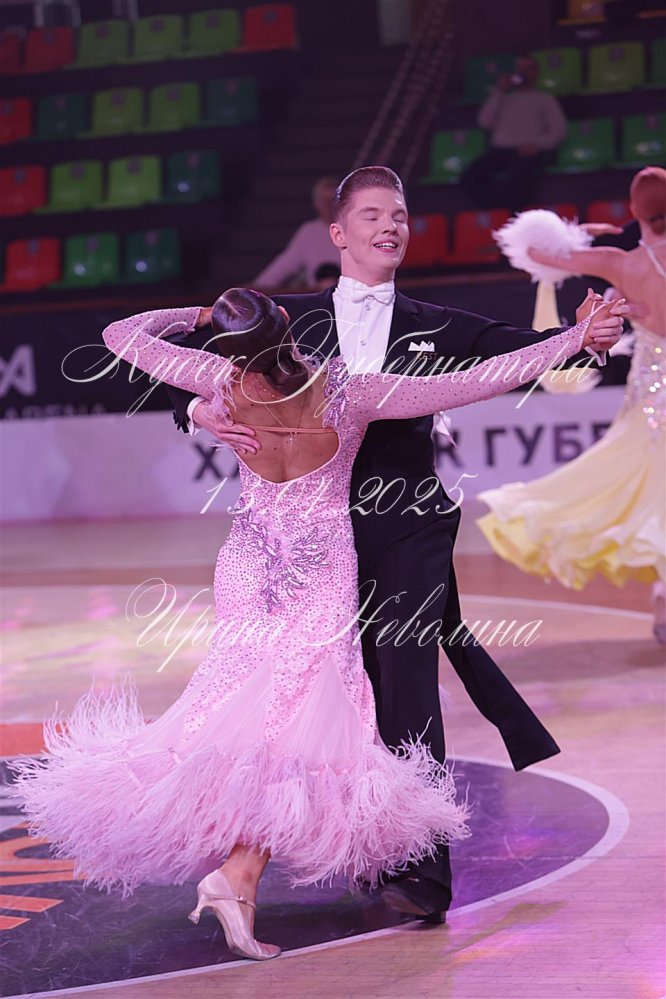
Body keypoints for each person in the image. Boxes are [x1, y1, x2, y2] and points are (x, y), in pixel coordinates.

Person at [10, 287, 621, 962]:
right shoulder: (348, 393)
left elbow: (121, 334)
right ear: (289, 330)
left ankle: (240, 874)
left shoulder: (218, 381)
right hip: (321, 570)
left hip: (250, 564)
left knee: (246, 709)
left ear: (230, 349)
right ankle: (238, 873)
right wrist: (572, 339)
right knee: (299, 718)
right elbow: (479, 379)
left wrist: (196, 317)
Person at [164, 166, 623, 924]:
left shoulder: (439, 324)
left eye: (400, 215)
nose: (391, 226)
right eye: (373, 214)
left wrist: (588, 338)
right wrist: (198, 413)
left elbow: (523, 353)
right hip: (311, 541)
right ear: (338, 232)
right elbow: (190, 374)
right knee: (323, 696)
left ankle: (420, 873)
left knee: (404, 683)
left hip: (407, 525)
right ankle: (345, 850)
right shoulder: (287, 323)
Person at [478, 167, 666, 643]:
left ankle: (664, 592)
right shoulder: (623, 261)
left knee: (647, 488)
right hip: (652, 398)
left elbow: (538, 252)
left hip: (652, 401)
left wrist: (579, 235)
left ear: (634, 211)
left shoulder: (622, 263)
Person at [460, 56, 567, 212]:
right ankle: (498, 211)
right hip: (499, 151)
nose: (523, 72)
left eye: (528, 68)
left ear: (536, 73)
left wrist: (538, 145)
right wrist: (500, 92)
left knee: (519, 178)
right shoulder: (503, 98)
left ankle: (514, 214)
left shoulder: (544, 99)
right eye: (520, 68)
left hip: (528, 150)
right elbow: (484, 122)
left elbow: (559, 130)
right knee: (471, 177)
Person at [252, 176, 340, 290]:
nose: (328, 205)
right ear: (316, 203)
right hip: (319, 296)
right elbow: (284, 264)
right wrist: (256, 288)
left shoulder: (353, 229)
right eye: (323, 200)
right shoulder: (309, 232)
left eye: (332, 200)